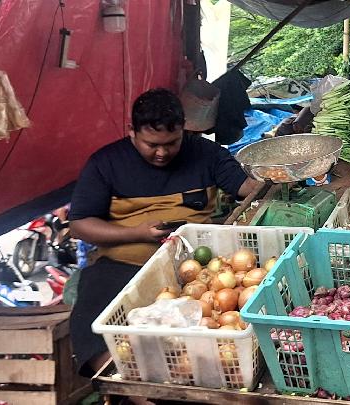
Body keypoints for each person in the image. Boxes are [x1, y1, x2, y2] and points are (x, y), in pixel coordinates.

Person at [68, 89, 261, 402]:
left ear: (183, 130)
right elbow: (79, 224)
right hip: (123, 265)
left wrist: (273, 172)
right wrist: (137, 233)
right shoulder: (105, 163)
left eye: (171, 143)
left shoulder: (205, 153)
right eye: (151, 145)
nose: (161, 153)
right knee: (89, 323)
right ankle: (137, 391)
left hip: (190, 264)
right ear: (132, 133)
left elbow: (245, 187)